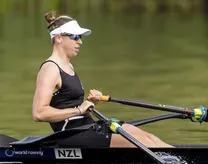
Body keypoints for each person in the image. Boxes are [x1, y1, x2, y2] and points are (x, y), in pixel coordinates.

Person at [32, 11, 171, 148]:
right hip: (71, 135)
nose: (80, 41)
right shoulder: (50, 69)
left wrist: (90, 102)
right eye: (75, 37)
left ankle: (182, 158)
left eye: (80, 37)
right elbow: (39, 113)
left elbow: (67, 102)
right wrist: (79, 110)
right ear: (58, 38)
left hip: (88, 127)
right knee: (142, 143)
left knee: (148, 137)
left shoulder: (68, 66)